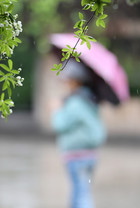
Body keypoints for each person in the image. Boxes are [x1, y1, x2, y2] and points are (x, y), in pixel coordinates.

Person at [51, 61, 106, 208]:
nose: (66, 83)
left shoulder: (75, 103)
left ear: (75, 81)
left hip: (77, 155)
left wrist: (57, 109)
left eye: (68, 80)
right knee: (79, 190)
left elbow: (59, 124)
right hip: (90, 155)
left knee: (81, 193)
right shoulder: (90, 99)